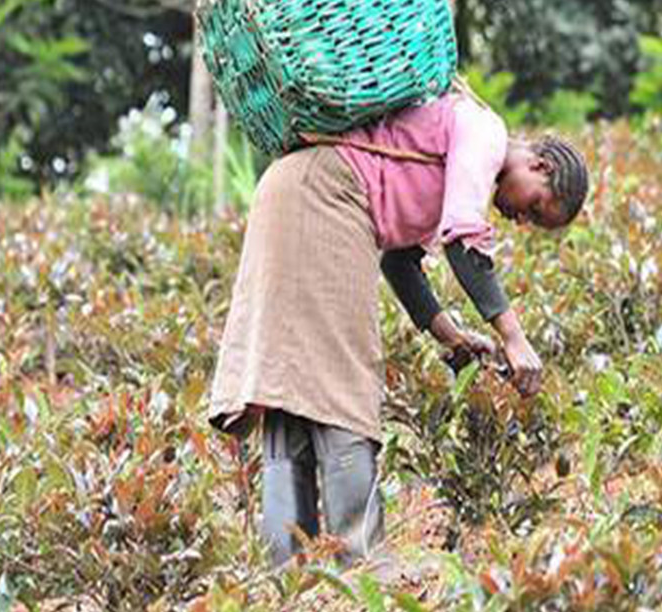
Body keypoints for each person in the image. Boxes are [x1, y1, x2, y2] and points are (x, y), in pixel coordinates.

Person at [206, 87, 589, 568]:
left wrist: (450, 335)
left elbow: (400, 263)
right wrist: (515, 338)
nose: (522, 219)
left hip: (292, 190)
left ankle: (286, 572)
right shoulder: (486, 132)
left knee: (292, 382)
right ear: (542, 168)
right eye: (536, 207)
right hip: (328, 195)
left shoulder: (456, 158)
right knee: (343, 377)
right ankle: (361, 562)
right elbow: (462, 244)